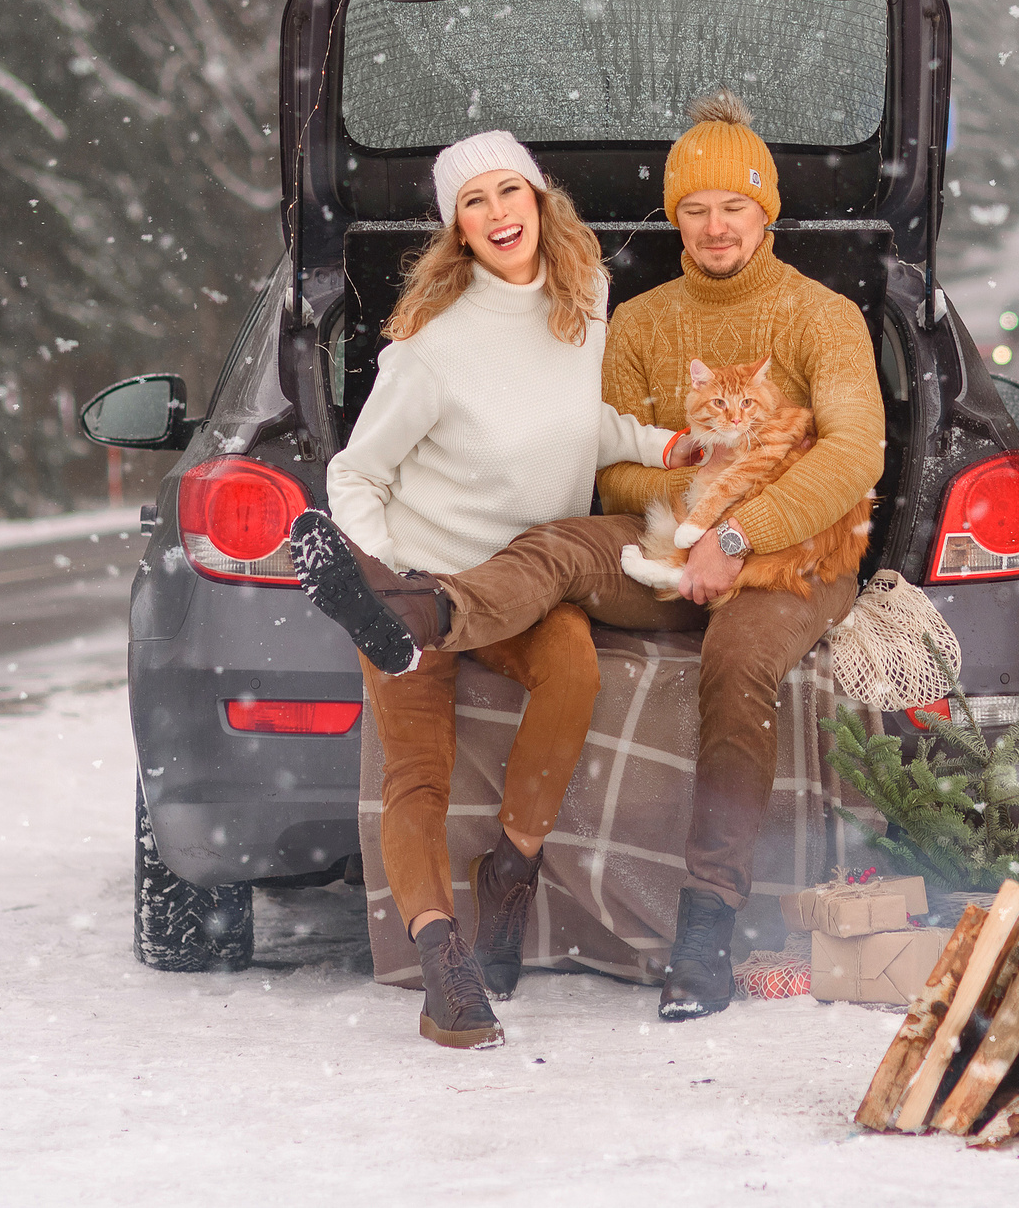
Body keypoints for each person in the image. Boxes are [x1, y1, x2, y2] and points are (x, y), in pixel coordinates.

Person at [292, 92, 884, 1021]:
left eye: (735, 204)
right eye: (694, 206)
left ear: (768, 212)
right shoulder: (636, 320)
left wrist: (735, 533)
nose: (715, 224)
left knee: (736, 660)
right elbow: (605, 470)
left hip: (796, 552)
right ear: (675, 218)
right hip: (662, 535)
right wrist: (687, 503)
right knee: (560, 545)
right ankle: (426, 616)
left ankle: (707, 921)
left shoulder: (822, 315)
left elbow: (854, 454)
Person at [290, 130, 696, 1051]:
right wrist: (390, 563)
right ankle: (445, 967)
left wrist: (658, 443)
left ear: (540, 200)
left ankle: (510, 870)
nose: (497, 212)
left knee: (574, 669)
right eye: (473, 203)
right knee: (417, 775)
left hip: (520, 581)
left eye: (508, 190)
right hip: (415, 585)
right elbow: (355, 475)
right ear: (457, 232)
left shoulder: (583, 302)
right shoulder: (431, 351)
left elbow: (568, 422)